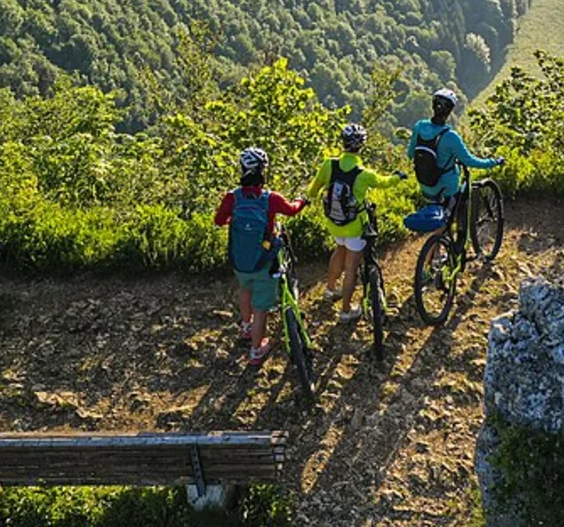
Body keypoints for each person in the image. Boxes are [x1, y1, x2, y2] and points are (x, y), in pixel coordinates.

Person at [213, 147, 305, 366]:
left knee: (245, 288)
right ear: (264, 170)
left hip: (239, 260)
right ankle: (257, 350)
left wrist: (235, 223)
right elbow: (292, 210)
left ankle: (246, 326)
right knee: (261, 307)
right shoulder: (270, 198)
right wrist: (302, 201)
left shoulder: (232, 197)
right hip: (263, 260)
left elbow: (218, 221)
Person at [306, 122, 405, 324]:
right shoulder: (364, 174)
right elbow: (384, 182)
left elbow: (312, 191)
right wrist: (398, 176)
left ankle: (330, 289)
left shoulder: (328, 164)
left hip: (334, 222)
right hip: (355, 226)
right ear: (362, 145)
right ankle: (346, 310)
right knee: (351, 267)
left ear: (342, 142)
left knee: (338, 249)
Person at [407, 88, 503, 233]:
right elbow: (471, 161)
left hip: (426, 184)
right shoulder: (451, 136)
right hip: (446, 187)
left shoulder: (419, 126)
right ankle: (453, 240)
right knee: (452, 212)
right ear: (450, 110)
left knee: (436, 215)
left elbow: (410, 153)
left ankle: (437, 249)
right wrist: (493, 162)